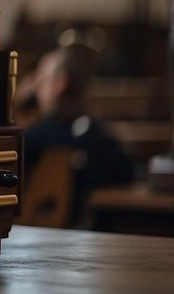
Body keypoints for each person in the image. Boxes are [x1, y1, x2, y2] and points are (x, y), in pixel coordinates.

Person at [20, 43, 134, 226]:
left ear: (61, 83)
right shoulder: (106, 143)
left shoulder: (31, 140)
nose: (36, 88)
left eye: (42, 80)